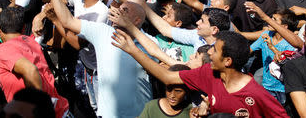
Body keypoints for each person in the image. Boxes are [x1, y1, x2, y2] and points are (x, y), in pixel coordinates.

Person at [34, 0, 154, 118]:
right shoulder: (103, 32)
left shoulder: (150, 43)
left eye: (125, 10)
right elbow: (68, 21)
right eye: (120, 8)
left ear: (136, 20)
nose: (117, 11)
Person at [112, 30, 289, 117]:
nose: (209, 53)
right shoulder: (208, 73)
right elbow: (167, 76)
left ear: (227, 61)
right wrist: (132, 50)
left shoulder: (257, 94)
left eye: (215, 50)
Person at [0, 8, 69, 118]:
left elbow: (30, 70)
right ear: (24, 27)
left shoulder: (4, 49)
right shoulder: (30, 41)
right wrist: (40, 16)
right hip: (59, 109)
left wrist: (36, 110)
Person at [250, 9, 298, 105]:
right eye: (271, 18)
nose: (270, 21)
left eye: (274, 20)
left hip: (283, 90)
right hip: (266, 87)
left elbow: (285, 62)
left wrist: (271, 47)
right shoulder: (266, 35)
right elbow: (248, 50)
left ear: (284, 27)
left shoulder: (291, 44)